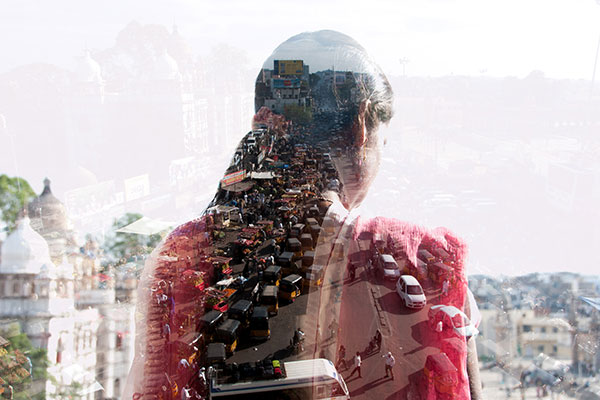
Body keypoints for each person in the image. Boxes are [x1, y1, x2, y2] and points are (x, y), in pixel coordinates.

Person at [125, 30, 482, 400]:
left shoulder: (180, 254)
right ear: (361, 127)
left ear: (259, 125)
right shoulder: (420, 259)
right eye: (383, 144)